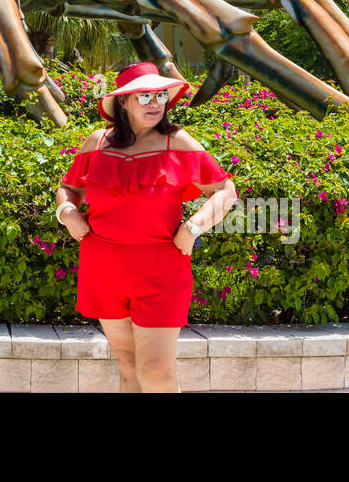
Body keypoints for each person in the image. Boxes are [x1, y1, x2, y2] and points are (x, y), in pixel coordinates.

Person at [55, 60, 238, 392]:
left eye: (160, 95)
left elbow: (226, 191)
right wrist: (67, 212)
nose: (155, 103)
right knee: (128, 371)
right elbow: (69, 188)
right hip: (104, 268)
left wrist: (193, 227)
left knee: (156, 373)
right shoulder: (97, 143)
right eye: (144, 96)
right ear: (123, 102)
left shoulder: (177, 142)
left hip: (160, 270)